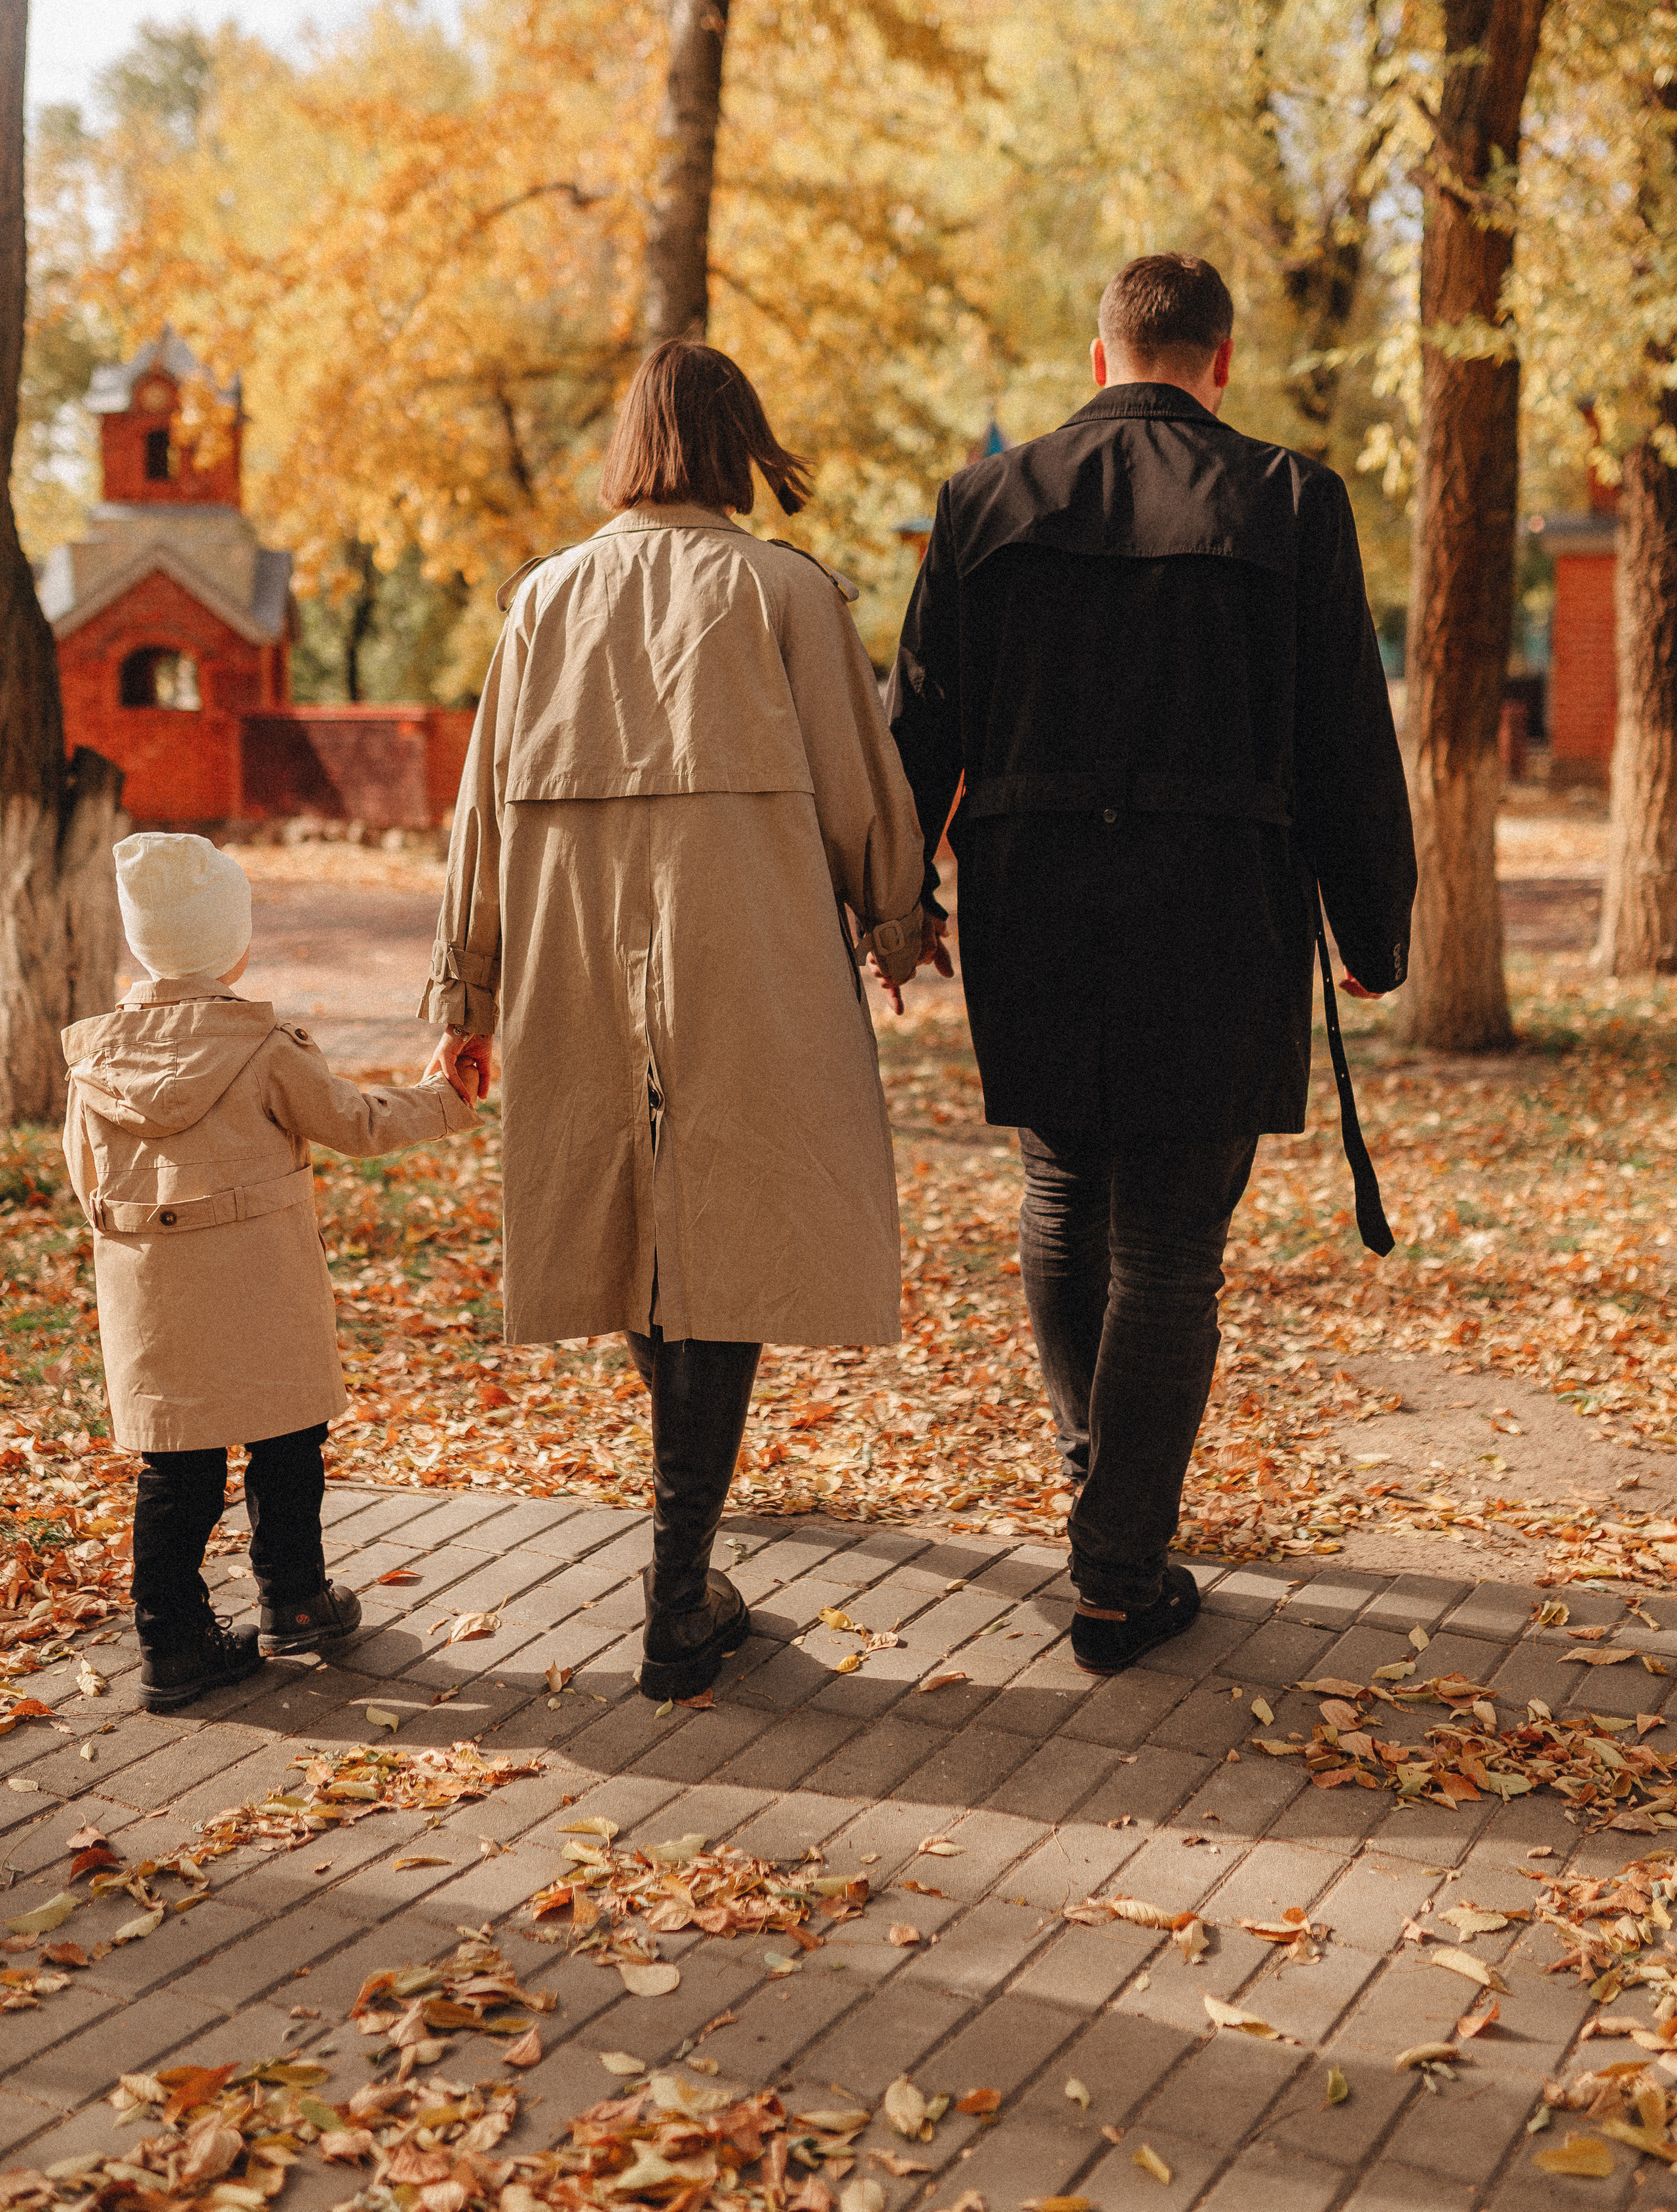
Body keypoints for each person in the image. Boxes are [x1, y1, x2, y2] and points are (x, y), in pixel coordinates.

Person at [886, 252, 1417, 1675]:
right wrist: (1373, 928)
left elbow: (914, 728)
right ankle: (1116, 1563)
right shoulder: (1291, 502)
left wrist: (891, 903)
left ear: (1100, 351)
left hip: (1031, 903)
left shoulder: (982, 504)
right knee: (1172, 1236)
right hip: (1213, 908)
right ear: (1219, 362)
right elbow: (1344, 738)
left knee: (1062, 1185)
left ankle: (1096, 1474)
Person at [424, 339, 928, 1702]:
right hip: (745, 945)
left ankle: (682, 1565)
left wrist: (465, 988)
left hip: (573, 951)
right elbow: (855, 773)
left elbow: (476, 815)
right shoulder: (784, 592)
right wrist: (895, 923)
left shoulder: (542, 600)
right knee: (727, 1225)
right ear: (735, 445)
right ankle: (674, 1594)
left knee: (649, 1225)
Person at [62, 833, 479, 1713]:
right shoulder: (261, 1047)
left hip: (153, 1300)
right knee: (287, 1441)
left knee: (176, 1472)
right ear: (232, 943)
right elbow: (356, 1122)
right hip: (261, 1289)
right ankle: (294, 1599)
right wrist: (446, 1098)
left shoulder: (95, 1063)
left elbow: (84, 1179)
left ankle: (169, 1643)